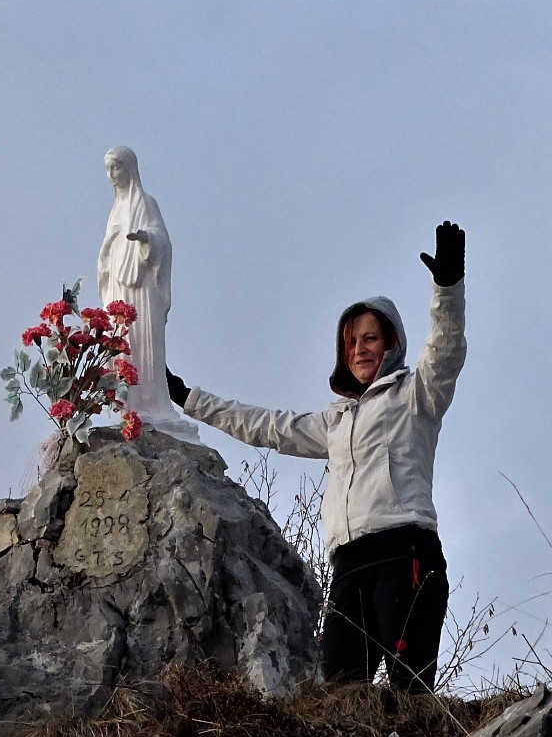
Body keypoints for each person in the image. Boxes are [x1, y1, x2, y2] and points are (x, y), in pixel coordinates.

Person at [166, 222, 466, 693]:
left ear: (391, 343)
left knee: (410, 689)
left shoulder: (416, 395)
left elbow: (445, 351)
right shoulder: (336, 420)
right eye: (350, 342)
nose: (359, 349)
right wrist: (188, 398)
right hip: (348, 563)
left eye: (370, 338)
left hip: (404, 551)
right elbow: (266, 426)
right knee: (341, 692)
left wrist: (447, 287)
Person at [97, 145, 200, 443]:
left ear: (129, 169)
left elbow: (163, 242)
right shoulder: (115, 210)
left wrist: (145, 240)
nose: (112, 175)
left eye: (116, 168)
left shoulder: (147, 203)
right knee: (124, 347)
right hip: (118, 285)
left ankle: (151, 406)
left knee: (145, 346)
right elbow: (106, 252)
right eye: (108, 170)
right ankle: (127, 407)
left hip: (142, 287)